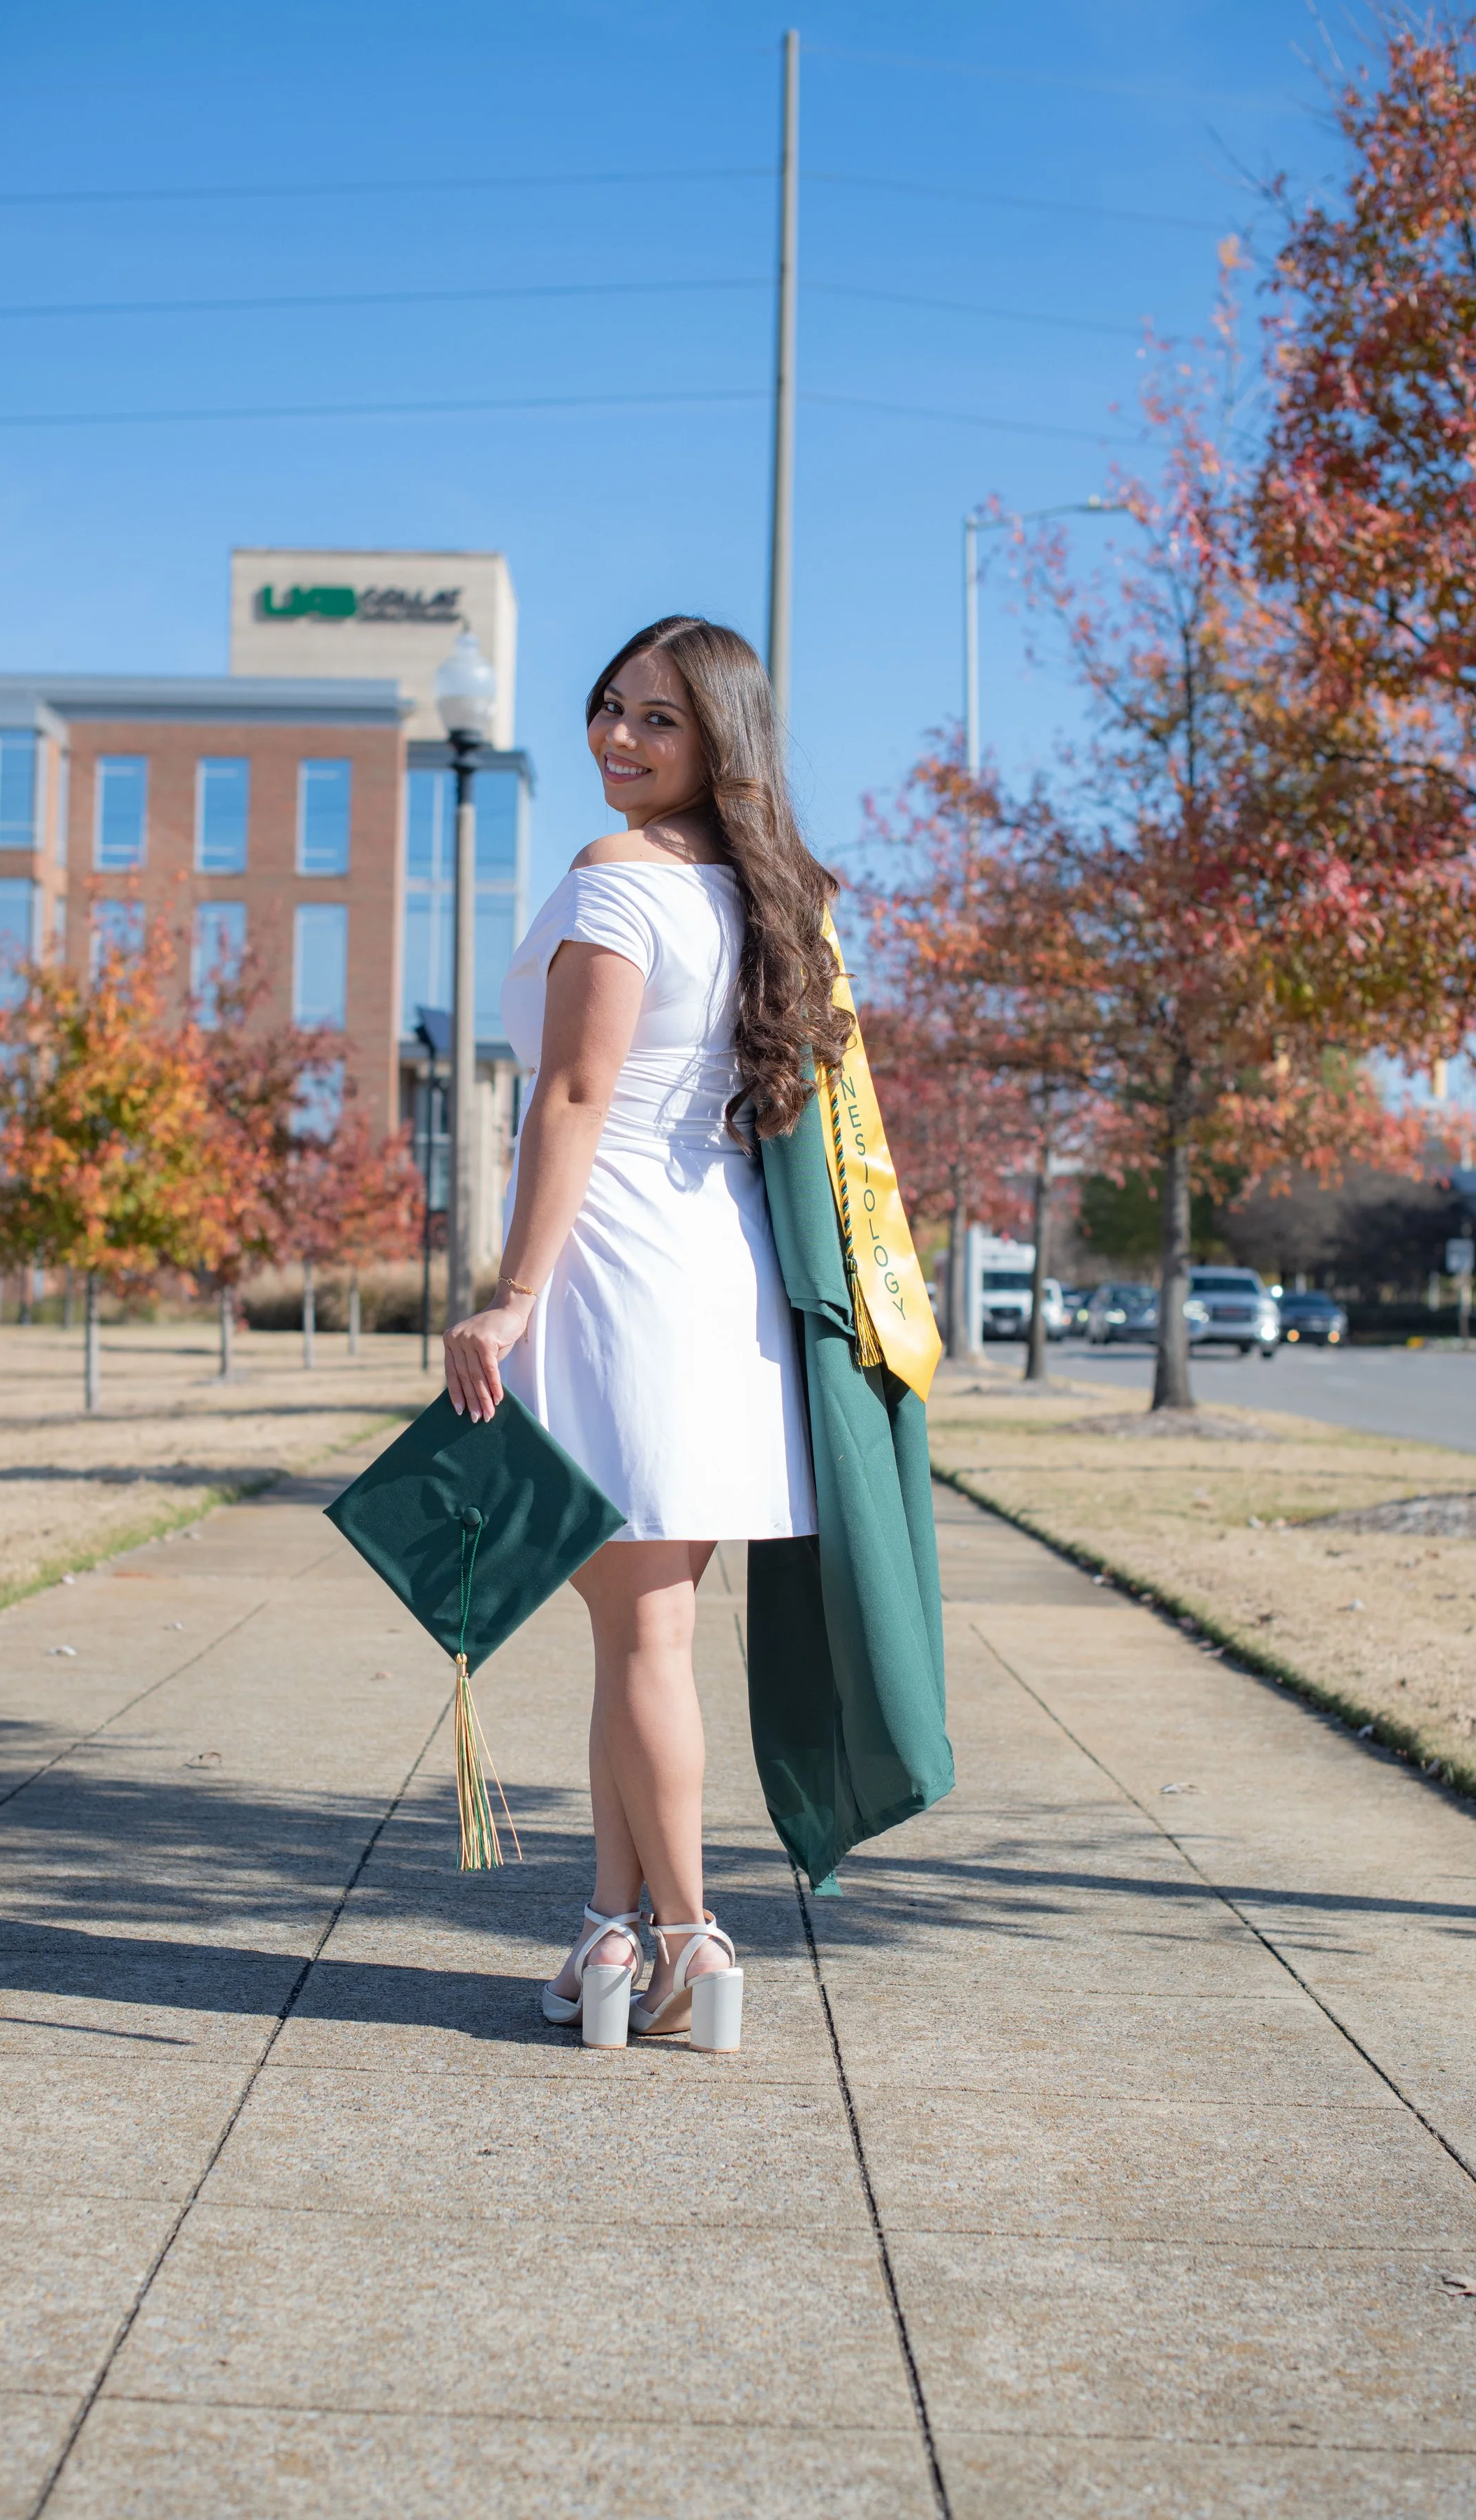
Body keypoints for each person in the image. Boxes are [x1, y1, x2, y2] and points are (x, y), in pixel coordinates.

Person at [442, 616, 852, 2049]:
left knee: (645, 1638)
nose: (617, 736)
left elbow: (571, 1097)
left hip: (611, 1274)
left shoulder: (616, 880)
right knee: (637, 1631)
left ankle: (689, 1934)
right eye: (610, 706)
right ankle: (607, 1936)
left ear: (717, 740)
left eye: (657, 720)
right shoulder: (765, 895)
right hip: (706, 1282)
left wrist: (508, 1291)